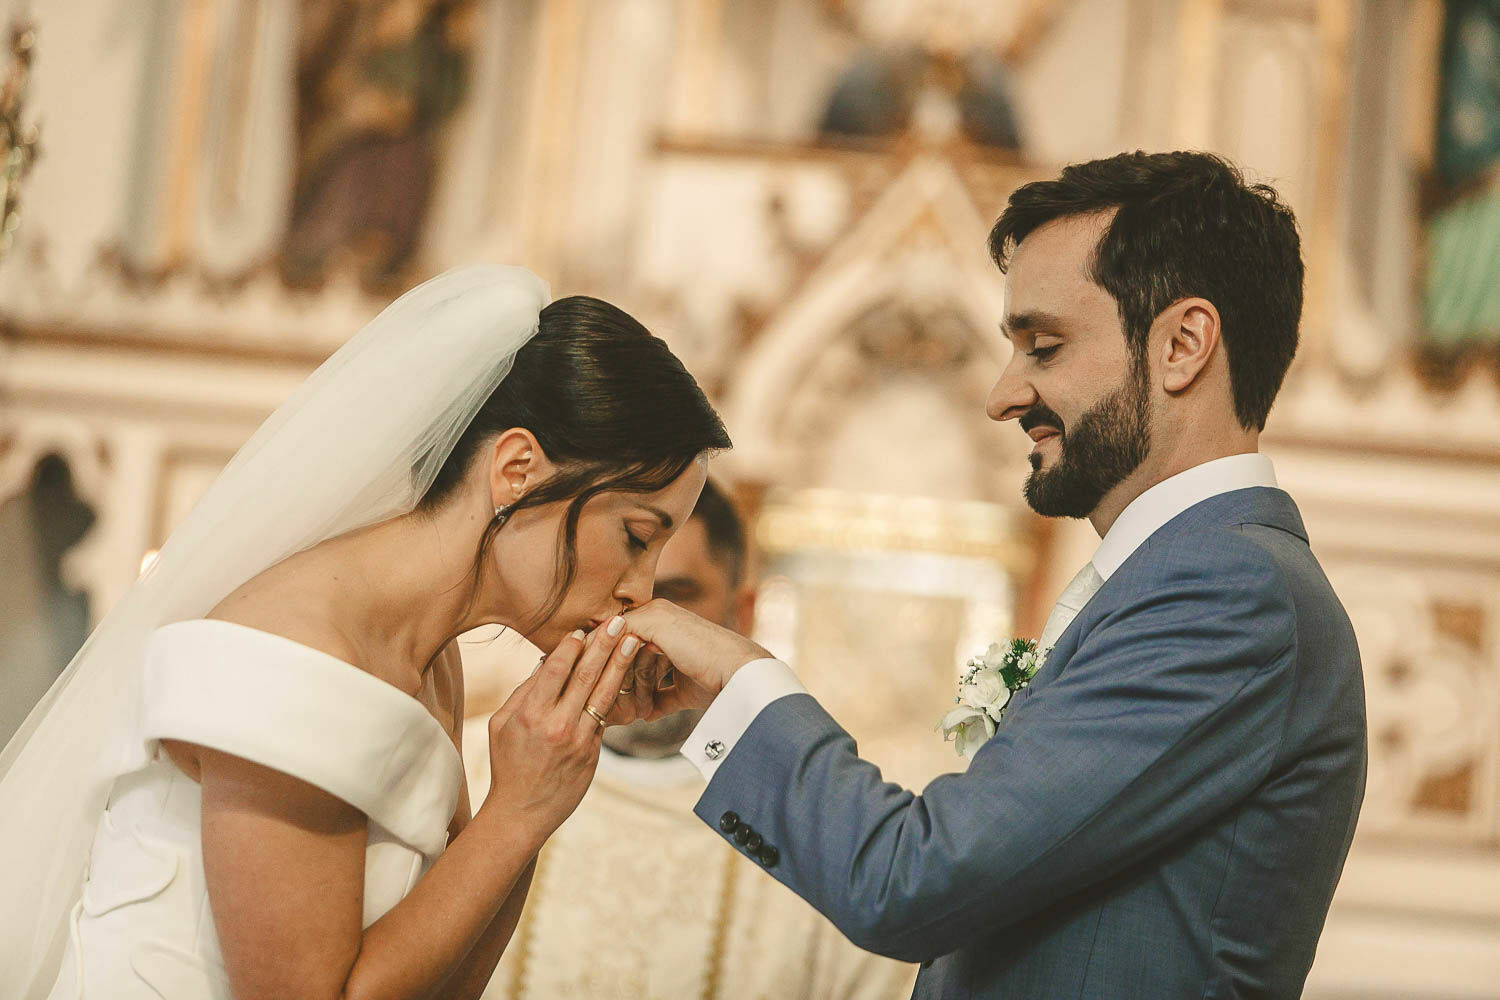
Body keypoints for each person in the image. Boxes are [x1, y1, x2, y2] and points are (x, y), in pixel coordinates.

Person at [621, 152, 1368, 999]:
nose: (1004, 395)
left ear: (1183, 345)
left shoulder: (1230, 592)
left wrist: (738, 681)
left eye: (1043, 347)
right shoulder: (1190, 577)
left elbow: (914, 881)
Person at [0, 266, 732, 999]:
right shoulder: (293, 652)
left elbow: (443, 987)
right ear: (516, 468)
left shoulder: (429, 659)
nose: (640, 588)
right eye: (638, 536)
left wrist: (538, 795)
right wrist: (517, 811)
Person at [470, 479, 917, 1000]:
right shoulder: (474, 768)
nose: (639, 630)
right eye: (617, 597)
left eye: (675, 599)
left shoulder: (819, 823)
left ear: (741, 615)